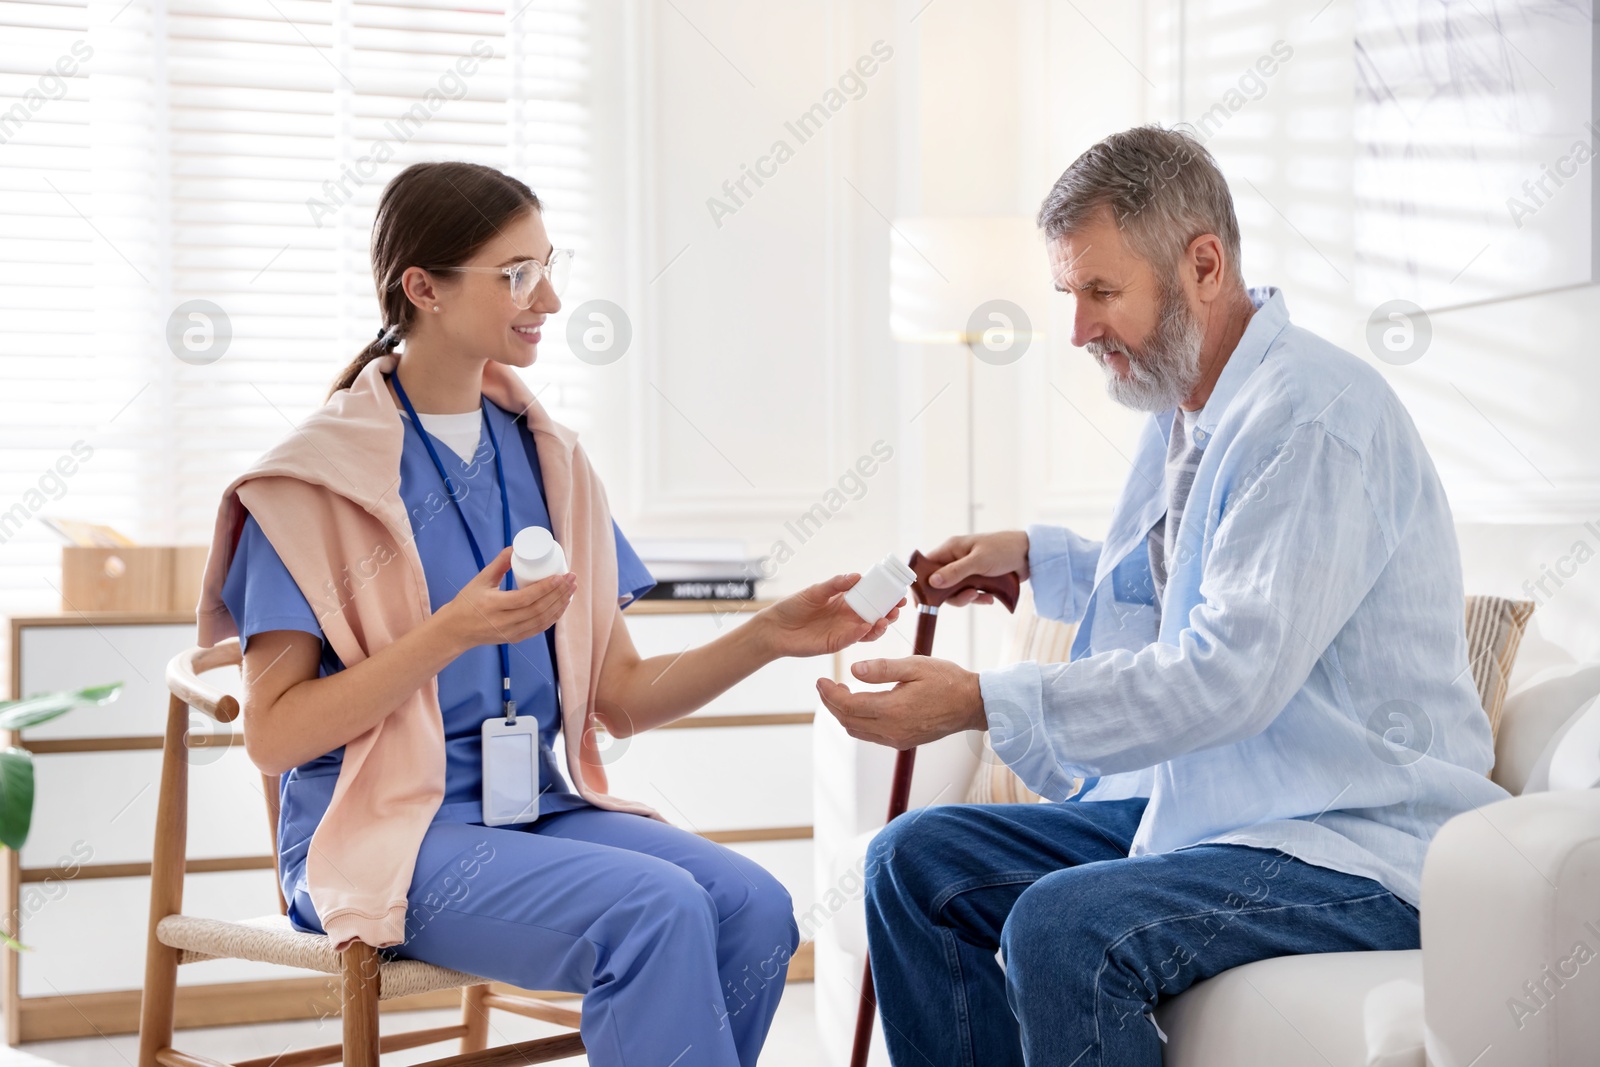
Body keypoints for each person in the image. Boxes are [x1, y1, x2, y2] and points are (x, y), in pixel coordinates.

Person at [817, 126, 1509, 1066]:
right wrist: (1033, 560)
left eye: (1102, 293)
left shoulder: (1312, 418)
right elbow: (1180, 571)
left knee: (1064, 928)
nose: (1077, 330)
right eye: (1072, 294)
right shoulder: (1193, 396)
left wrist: (982, 698)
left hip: (1353, 842)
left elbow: (1227, 677)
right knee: (911, 864)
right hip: (1229, 814)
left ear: (1203, 265)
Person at [206, 161, 901, 1067]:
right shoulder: (310, 485)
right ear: (423, 288)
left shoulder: (552, 462)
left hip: (537, 811)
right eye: (518, 274)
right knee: (655, 910)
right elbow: (271, 737)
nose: (552, 298)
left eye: (547, 266)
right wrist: (446, 635)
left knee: (756, 908)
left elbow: (623, 697)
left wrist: (770, 636)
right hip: (381, 834)